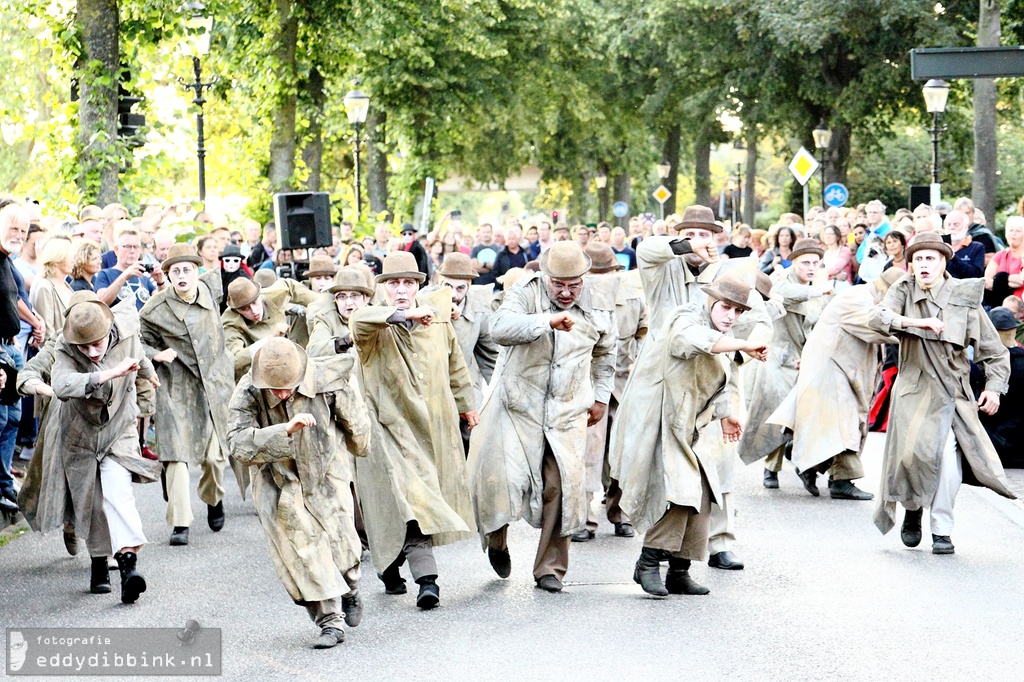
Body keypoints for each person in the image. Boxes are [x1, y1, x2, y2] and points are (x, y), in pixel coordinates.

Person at [469, 241, 615, 593]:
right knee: (504, 484)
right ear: (545, 276)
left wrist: (600, 397)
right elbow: (499, 328)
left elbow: (606, 353)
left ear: (584, 278)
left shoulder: (598, 303)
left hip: (567, 410)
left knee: (563, 487)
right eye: (558, 285)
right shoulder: (526, 291)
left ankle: (550, 567)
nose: (566, 293)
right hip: (517, 406)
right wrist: (546, 321)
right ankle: (497, 539)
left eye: (573, 285)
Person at [620, 276, 767, 597]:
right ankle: (647, 563)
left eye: (738, 311)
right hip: (661, 419)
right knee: (680, 493)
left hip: (691, 424)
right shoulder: (686, 317)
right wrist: (744, 344)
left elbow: (720, 377)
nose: (731, 316)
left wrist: (727, 413)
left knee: (702, 495)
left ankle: (679, 570)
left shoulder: (724, 334)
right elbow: (692, 341)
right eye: (726, 307)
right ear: (712, 302)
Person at [868, 231, 1013, 554]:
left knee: (948, 463)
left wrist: (993, 389)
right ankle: (912, 509)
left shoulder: (964, 295)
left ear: (944, 262)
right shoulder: (902, 289)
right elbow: (877, 317)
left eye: (930, 258)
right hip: (913, 389)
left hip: (953, 393)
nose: (923, 264)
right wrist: (917, 324)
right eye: (917, 258)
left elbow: (995, 351)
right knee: (910, 457)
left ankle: (942, 530)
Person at [350, 251, 478, 609]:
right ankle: (426, 579)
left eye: (408, 283)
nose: (401, 290)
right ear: (383, 288)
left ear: (418, 285)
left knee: (410, 502)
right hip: (387, 430)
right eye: (394, 284)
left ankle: (395, 569)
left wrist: (467, 405)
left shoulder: (438, 321)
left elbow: (455, 364)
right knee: (406, 498)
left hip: (430, 428)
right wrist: (405, 315)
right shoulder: (372, 322)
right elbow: (361, 320)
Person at [228, 338, 368, 648]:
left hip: (326, 464)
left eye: (287, 387)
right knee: (300, 548)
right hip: (276, 473)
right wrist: (283, 431)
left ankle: (351, 586)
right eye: (273, 389)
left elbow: (355, 421)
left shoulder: (329, 378)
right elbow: (237, 443)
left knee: (341, 539)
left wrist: (360, 446)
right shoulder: (249, 388)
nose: (280, 394)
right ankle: (330, 621)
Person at [51, 291, 160, 601]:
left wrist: (148, 383)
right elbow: (61, 385)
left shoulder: (126, 330)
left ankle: (128, 566)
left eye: (96, 344)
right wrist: (107, 372)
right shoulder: (64, 346)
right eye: (83, 347)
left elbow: (140, 359)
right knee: (92, 502)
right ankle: (98, 563)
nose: (91, 351)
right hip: (80, 434)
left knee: (118, 492)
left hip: (118, 428)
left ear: (108, 331)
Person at [767, 269, 904, 501]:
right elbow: (874, 328)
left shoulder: (868, 297)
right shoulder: (857, 298)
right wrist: (913, 330)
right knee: (845, 425)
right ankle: (838, 479)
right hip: (832, 368)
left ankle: (810, 464)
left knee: (840, 426)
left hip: (843, 368)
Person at [139, 244, 236, 546]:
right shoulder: (154, 309)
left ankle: (213, 497)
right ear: (167, 275)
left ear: (197, 272)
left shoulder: (212, 288)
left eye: (187, 270)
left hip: (215, 384)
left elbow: (244, 281)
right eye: (175, 271)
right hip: (177, 387)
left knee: (214, 457)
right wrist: (156, 354)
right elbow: (136, 344)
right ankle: (180, 523)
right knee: (176, 456)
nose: (182, 276)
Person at [739, 239, 832, 491]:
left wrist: (814, 355)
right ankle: (771, 468)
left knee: (809, 415)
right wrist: (815, 291)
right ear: (794, 262)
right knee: (777, 416)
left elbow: (820, 326)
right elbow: (782, 293)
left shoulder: (819, 290)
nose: (811, 268)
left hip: (805, 359)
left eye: (816, 263)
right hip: (778, 358)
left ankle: (807, 467)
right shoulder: (783, 279)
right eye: (805, 263)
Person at [576, 242, 647, 542]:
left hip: (623, 382)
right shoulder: (577, 297)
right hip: (587, 381)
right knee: (588, 451)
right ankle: (584, 518)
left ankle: (620, 512)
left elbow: (646, 333)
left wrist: (640, 366)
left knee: (625, 451)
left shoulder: (634, 298)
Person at [424, 253, 499, 453]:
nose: (454, 294)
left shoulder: (480, 309)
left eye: (460, 288)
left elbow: (490, 356)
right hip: (428, 384)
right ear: (439, 282)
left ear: (469, 286)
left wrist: (501, 396)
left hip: (465, 382)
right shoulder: (422, 300)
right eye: (448, 287)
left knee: (475, 432)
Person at [221, 276, 322, 380]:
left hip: (290, 350)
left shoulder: (273, 294)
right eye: (244, 309)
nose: (254, 311)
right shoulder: (230, 322)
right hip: (261, 370)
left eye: (254, 303)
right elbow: (235, 360)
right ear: (237, 310)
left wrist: (321, 305)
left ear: (259, 296)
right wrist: (269, 340)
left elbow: (290, 286)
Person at [94, 226, 166, 310]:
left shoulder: (145, 279)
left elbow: (162, 307)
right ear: (116, 249)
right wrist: (124, 276)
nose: (132, 251)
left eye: (136, 247)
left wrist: (160, 283)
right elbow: (101, 303)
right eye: (127, 246)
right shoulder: (105, 274)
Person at [30, 237, 75, 343]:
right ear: (56, 260)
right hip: (57, 352)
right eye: (69, 257)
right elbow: (48, 332)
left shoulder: (65, 284)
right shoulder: (44, 287)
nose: (73, 261)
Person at [984, 215, 1024, 306]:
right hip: (1000, 306)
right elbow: (986, 282)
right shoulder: (999, 255)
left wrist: (999, 280)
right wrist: (1005, 279)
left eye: (1018, 231)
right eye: (1010, 230)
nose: (1013, 234)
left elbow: (1021, 281)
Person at [942, 210, 985, 279]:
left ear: (966, 227)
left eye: (956, 224)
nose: (951, 227)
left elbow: (976, 275)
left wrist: (954, 257)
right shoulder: (940, 247)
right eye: (948, 224)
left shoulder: (977, 247)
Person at [492, 225, 530, 289]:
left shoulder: (524, 253)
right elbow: (495, 272)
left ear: (517, 239)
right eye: (509, 239)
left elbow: (529, 268)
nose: (511, 241)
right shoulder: (501, 254)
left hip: (523, 286)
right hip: (506, 286)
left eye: (513, 239)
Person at [855, 199, 891, 264]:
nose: (872, 215)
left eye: (875, 212)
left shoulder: (888, 231)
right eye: (869, 212)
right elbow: (859, 254)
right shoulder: (869, 231)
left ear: (882, 214)